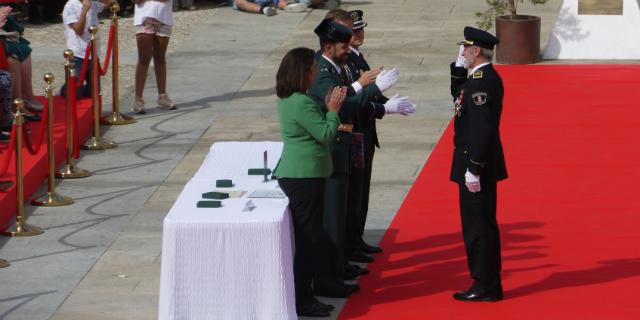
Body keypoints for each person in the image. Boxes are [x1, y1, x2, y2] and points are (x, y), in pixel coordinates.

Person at [273, 47, 346, 317]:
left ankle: (307, 294)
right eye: (313, 68)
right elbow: (325, 134)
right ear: (304, 72)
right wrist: (333, 110)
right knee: (307, 240)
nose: (316, 72)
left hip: (304, 174)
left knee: (310, 238)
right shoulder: (301, 102)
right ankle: (303, 299)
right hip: (302, 177)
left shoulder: (291, 98)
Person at [343, 9, 415, 263]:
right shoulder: (346, 63)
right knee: (354, 193)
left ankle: (357, 239)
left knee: (362, 192)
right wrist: (384, 106)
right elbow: (356, 101)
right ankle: (350, 243)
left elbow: (370, 94)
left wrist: (387, 101)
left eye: (361, 29)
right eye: (354, 31)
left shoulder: (357, 58)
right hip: (354, 133)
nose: (359, 34)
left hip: (365, 132)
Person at [449, 26, 508, 302]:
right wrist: (458, 69)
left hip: (477, 166)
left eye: (465, 49)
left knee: (478, 227)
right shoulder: (478, 78)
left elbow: (483, 129)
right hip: (475, 163)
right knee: (479, 224)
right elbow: (458, 98)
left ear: (476, 51)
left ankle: (484, 284)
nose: (462, 52)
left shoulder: (482, 82)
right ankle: (487, 282)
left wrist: (473, 167)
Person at [61, 0, 114, 99]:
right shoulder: (70, 5)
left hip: (92, 54)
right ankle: (64, 91)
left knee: (93, 91)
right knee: (74, 92)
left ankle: (91, 110)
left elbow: (110, 3)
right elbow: (79, 30)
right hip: (77, 54)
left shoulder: (92, 3)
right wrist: (84, 10)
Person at [132, 0, 176, 114]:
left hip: (163, 16)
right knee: (143, 59)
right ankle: (138, 98)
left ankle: (162, 96)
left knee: (160, 58)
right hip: (144, 16)